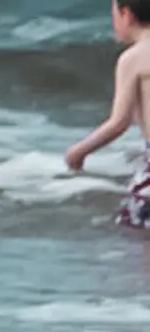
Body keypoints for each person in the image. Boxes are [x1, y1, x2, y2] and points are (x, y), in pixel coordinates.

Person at [66, 0, 150, 228]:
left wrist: (78, 152)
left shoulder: (133, 59)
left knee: (139, 236)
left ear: (127, 14)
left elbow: (119, 122)